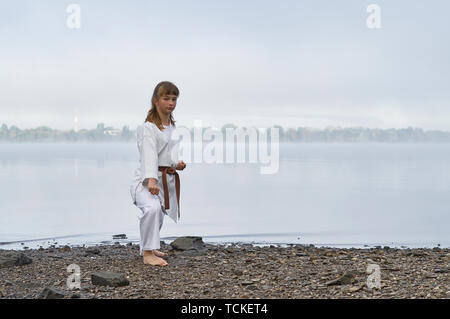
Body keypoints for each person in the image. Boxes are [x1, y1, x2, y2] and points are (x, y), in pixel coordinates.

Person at [130, 81, 186, 266]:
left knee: (159, 212)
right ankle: (147, 254)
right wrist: (152, 180)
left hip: (164, 178)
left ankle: (151, 246)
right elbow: (149, 155)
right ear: (155, 100)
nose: (171, 102)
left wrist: (176, 164)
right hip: (146, 180)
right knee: (152, 209)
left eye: (174, 99)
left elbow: (166, 155)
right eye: (166, 98)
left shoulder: (171, 126)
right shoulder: (149, 127)